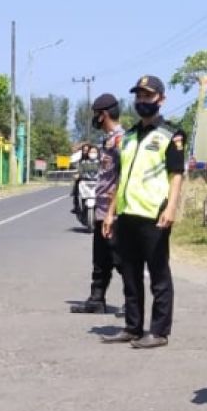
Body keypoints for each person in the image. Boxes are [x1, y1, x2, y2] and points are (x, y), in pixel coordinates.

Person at [101, 75, 185, 348]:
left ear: (160, 99)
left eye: (147, 96)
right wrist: (111, 212)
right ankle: (133, 327)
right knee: (129, 274)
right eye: (138, 96)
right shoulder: (128, 137)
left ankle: (159, 331)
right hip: (127, 214)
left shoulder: (171, 135)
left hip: (153, 215)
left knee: (158, 275)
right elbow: (122, 176)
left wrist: (171, 207)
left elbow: (176, 175)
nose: (142, 101)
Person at [70, 93, 127, 314]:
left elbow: (123, 174)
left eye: (96, 115)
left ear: (103, 115)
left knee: (120, 258)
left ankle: (130, 302)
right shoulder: (108, 139)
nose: (95, 119)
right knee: (100, 257)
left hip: (114, 209)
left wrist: (114, 208)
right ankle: (97, 298)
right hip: (101, 207)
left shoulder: (121, 139)